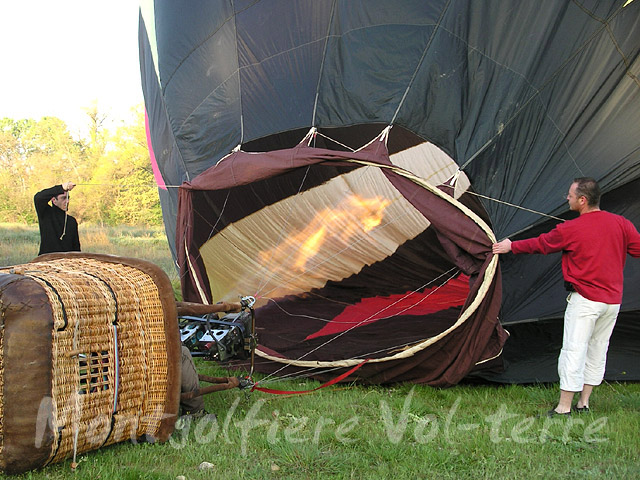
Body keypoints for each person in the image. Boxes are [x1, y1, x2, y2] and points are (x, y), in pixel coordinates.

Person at [492, 177, 640, 416]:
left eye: (570, 195)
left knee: (574, 350)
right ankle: (584, 403)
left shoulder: (570, 229)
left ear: (582, 200)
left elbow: (542, 244)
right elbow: (637, 248)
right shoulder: (621, 223)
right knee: (598, 349)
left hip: (585, 302)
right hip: (612, 303)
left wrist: (511, 246)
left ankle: (563, 407)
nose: (567, 198)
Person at [34, 182, 81, 255]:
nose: (67, 201)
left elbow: (76, 248)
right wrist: (61, 188)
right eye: (63, 198)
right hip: (46, 261)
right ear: (54, 200)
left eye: (68, 198)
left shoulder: (72, 221)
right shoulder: (46, 214)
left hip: (65, 263)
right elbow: (38, 198)